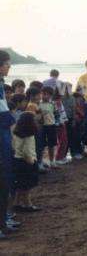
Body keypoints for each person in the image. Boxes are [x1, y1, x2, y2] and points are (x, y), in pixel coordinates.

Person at [0, 50, 16, 239]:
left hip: (4, 134)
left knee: (6, 178)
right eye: (7, 63)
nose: (9, 66)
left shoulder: (2, 84)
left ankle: (4, 218)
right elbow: (4, 115)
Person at [12, 112, 41, 213]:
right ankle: (28, 204)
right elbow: (27, 151)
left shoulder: (16, 133)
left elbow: (14, 147)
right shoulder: (29, 135)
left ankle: (16, 203)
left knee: (20, 184)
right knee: (27, 186)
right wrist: (32, 161)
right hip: (26, 162)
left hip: (17, 160)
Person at [39, 86, 59, 169]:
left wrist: (56, 124)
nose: (45, 96)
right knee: (41, 145)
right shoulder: (39, 104)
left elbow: (57, 114)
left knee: (52, 144)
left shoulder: (53, 104)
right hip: (42, 127)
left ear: (51, 96)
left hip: (51, 126)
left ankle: (52, 161)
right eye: (43, 94)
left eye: (47, 95)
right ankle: (41, 162)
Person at [53, 90, 70, 165]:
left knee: (64, 140)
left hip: (61, 123)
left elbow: (62, 113)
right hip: (59, 124)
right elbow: (58, 114)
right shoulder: (56, 102)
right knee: (62, 140)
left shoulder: (58, 101)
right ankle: (58, 158)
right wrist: (61, 122)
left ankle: (62, 157)